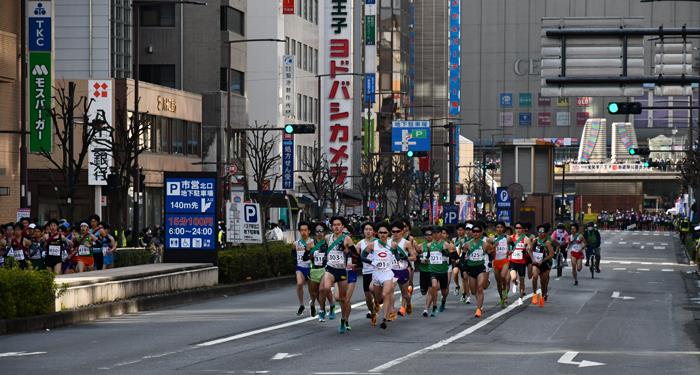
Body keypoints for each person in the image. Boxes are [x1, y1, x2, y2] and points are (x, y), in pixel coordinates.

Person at [319, 216, 356, 334]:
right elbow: (322, 249)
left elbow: (355, 254)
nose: (336, 227)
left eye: (338, 224)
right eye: (334, 224)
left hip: (341, 270)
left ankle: (343, 320)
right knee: (325, 287)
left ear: (343, 226)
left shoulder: (347, 239)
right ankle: (327, 308)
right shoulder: (327, 237)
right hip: (330, 268)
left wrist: (346, 251)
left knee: (343, 299)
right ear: (331, 226)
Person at [362, 222, 397, 329]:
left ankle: (384, 319)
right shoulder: (373, 245)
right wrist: (371, 262)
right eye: (380, 232)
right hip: (377, 274)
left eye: (385, 232)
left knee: (386, 294)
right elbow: (363, 256)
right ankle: (378, 303)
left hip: (387, 273)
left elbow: (399, 255)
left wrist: (400, 259)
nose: (382, 234)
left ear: (388, 233)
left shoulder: (393, 244)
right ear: (377, 233)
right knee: (378, 298)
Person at [461, 223, 493, 318]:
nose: (475, 233)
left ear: (481, 232)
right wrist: (463, 264)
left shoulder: (484, 244)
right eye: (474, 231)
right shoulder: (467, 244)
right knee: (474, 291)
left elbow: (490, 253)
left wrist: (490, 262)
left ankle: (478, 309)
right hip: (471, 268)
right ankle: (479, 303)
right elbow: (463, 256)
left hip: (481, 268)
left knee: (480, 288)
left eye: (477, 232)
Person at [303, 222, 332, 322]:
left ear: (324, 232)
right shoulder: (310, 244)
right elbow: (304, 257)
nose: (319, 233)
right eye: (317, 231)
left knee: (322, 290)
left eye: (321, 231)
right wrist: (311, 256)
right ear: (314, 233)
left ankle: (322, 310)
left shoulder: (328, 243)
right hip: (314, 270)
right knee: (314, 293)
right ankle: (312, 303)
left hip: (325, 270)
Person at [427, 226, 458, 317]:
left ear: (441, 233)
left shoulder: (448, 245)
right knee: (434, 286)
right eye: (434, 233)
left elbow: (456, 257)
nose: (435, 235)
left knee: (444, 289)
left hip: (445, 268)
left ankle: (443, 300)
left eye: (437, 233)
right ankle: (434, 307)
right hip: (433, 269)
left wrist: (447, 254)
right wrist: (425, 259)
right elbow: (429, 256)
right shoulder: (429, 245)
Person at [389, 221, 416, 318]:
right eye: (393, 231)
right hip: (391, 271)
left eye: (398, 231)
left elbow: (414, 257)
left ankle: (408, 304)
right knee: (390, 290)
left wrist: (404, 258)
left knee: (405, 294)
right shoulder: (387, 242)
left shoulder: (406, 243)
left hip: (403, 271)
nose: (395, 233)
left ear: (402, 232)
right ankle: (391, 311)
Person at [528, 225, 554, 305]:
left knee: (543, 282)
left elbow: (551, 254)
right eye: (539, 232)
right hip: (536, 263)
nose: (540, 233)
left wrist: (543, 260)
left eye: (542, 232)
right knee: (535, 276)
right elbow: (530, 251)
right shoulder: (535, 240)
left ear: (545, 234)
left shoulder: (547, 243)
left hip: (545, 264)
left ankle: (543, 295)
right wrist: (533, 260)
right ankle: (535, 294)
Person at [357, 222, 377, 324]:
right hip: (366, 272)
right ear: (363, 231)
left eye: (370, 229)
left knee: (374, 290)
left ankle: (378, 303)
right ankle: (372, 312)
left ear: (373, 231)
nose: (368, 231)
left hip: (377, 271)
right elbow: (354, 256)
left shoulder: (378, 242)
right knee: (368, 298)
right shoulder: (360, 244)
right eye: (366, 229)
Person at [293, 221, 314, 316]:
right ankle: (301, 305)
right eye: (301, 230)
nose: (303, 232)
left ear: (309, 231)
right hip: (300, 268)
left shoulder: (312, 242)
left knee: (312, 290)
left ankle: (312, 303)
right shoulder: (296, 243)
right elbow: (293, 254)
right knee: (299, 283)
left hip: (310, 268)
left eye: (305, 230)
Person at [489, 221, 512, 308]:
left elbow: (512, 245)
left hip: (505, 260)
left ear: (504, 229)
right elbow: (488, 250)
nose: (499, 229)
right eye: (497, 227)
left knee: (503, 276)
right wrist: (493, 246)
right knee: (498, 282)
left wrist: (510, 251)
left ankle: (505, 292)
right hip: (496, 261)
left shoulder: (508, 238)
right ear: (495, 228)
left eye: (501, 227)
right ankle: (502, 298)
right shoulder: (492, 239)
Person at [509, 222, 530, 305]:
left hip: (522, 262)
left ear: (523, 229)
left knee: (522, 281)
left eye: (520, 228)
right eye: (517, 228)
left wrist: (527, 248)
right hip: (513, 261)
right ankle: (515, 282)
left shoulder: (525, 238)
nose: (518, 230)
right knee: (513, 278)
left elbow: (529, 248)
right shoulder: (511, 238)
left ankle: (520, 297)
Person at [416, 226, 434, 317]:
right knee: (423, 291)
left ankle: (426, 309)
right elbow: (415, 257)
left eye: (430, 234)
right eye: (427, 235)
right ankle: (425, 293)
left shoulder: (437, 245)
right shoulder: (420, 246)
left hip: (433, 271)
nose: (429, 236)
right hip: (423, 271)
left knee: (431, 290)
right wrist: (420, 260)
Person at [452, 223, 471, 304]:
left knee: (465, 278)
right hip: (456, 260)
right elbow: (452, 250)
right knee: (455, 272)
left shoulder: (468, 240)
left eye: (462, 230)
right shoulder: (454, 240)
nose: (460, 232)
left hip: (465, 260)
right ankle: (457, 286)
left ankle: (465, 295)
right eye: (459, 230)